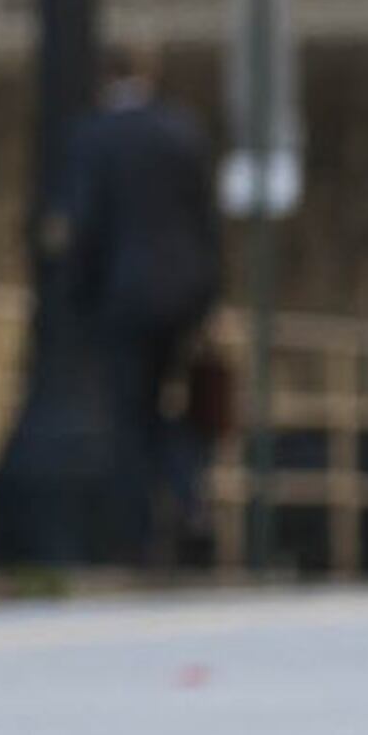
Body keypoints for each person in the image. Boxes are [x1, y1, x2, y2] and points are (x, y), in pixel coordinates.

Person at [54, 40, 223, 568]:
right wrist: (210, 297)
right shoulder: (184, 132)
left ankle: (142, 532)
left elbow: (82, 230)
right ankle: (191, 498)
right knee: (174, 411)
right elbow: (207, 224)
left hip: (125, 297)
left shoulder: (93, 137)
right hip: (185, 295)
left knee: (132, 414)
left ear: (106, 77)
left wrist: (76, 300)